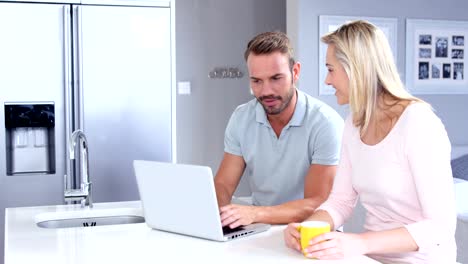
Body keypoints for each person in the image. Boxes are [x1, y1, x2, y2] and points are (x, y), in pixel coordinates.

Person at [283, 20, 457, 263]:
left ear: (356, 68)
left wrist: (360, 242)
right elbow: (341, 201)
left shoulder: (418, 123)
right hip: (370, 257)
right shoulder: (354, 124)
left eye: (331, 69)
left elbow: (440, 227)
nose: (327, 81)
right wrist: (308, 227)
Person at [214, 31, 344, 228]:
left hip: (308, 232)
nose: (266, 91)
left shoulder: (325, 123)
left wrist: (255, 213)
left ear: (296, 72)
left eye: (276, 78)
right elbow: (223, 185)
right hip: (259, 228)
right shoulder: (241, 118)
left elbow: (318, 203)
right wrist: (220, 217)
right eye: (256, 81)